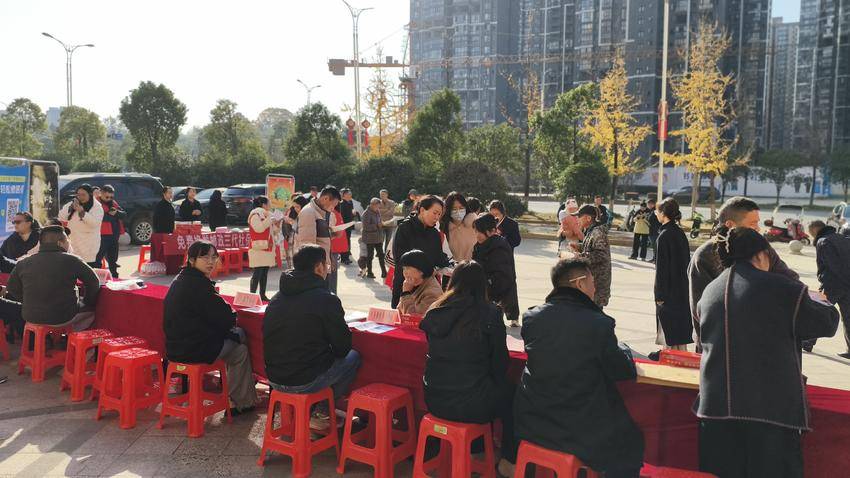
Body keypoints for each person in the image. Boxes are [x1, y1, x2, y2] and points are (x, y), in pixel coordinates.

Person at [695, 227, 838, 477]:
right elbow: (826, 323)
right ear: (762, 255)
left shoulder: (710, 291)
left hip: (715, 409)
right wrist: (819, 299)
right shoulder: (781, 287)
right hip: (769, 412)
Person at [515, 258, 644, 477]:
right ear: (580, 283)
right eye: (593, 282)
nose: (595, 288)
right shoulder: (598, 324)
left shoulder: (533, 318)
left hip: (531, 421)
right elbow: (622, 370)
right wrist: (623, 349)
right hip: (577, 431)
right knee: (631, 440)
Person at [420, 260, 517, 475]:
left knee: (482, 387)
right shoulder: (490, 314)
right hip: (472, 403)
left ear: (452, 282)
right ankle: (508, 460)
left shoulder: (435, 310)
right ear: (483, 285)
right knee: (513, 394)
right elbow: (500, 365)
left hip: (434, 399)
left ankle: (477, 447)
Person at [264, 244, 360, 430]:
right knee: (353, 357)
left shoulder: (278, 297)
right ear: (319, 267)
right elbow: (342, 347)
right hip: (303, 381)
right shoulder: (326, 299)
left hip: (274, 378)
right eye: (327, 264)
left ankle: (312, 410)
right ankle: (320, 412)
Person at [688, 196, 800, 346]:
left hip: (760, 341)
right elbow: (700, 310)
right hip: (718, 344)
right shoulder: (705, 255)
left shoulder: (762, 249)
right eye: (753, 224)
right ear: (730, 225)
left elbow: (789, 278)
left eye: (758, 223)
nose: (758, 229)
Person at [163, 241, 256, 415]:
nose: (211, 262)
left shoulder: (181, 279)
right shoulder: (198, 284)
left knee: (239, 350)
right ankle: (240, 400)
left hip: (175, 348)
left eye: (214, 257)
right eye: (205, 257)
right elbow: (226, 317)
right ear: (191, 260)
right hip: (194, 349)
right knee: (240, 337)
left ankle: (240, 399)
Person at [6, 225, 100, 331]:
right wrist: (88, 302)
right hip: (63, 317)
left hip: (30, 316)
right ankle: (70, 338)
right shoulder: (72, 260)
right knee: (92, 310)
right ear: (60, 243)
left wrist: (29, 301)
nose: (69, 243)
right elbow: (94, 282)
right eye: (67, 240)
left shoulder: (23, 263)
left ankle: (54, 337)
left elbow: (11, 287)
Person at [391, 195, 450, 308]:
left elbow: (438, 257)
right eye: (434, 213)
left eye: (439, 214)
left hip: (426, 288)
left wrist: (450, 266)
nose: (437, 217)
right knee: (403, 315)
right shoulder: (404, 228)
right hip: (406, 283)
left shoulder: (434, 234)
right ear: (422, 210)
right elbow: (400, 258)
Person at [652, 198, 693, 355]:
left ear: (663, 213)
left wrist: (659, 295)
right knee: (679, 335)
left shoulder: (664, 236)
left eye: (657, 211)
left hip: (668, 293)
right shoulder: (679, 233)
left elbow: (661, 269)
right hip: (681, 290)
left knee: (669, 335)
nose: (655, 214)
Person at [809, 220, 850, 358]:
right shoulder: (842, 238)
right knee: (848, 317)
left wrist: (823, 280)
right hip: (847, 284)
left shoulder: (823, 241)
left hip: (832, 284)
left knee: (818, 312)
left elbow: (831, 266)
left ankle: (808, 342)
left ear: (814, 229)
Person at [472, 214, 519, 327]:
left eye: (479, 232)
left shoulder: (499, 247)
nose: (476, 235)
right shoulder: (480, 245)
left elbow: (502, 277)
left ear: (491, 231)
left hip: (494, 295)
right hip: (485, 293)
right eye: (475, 231)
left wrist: (487, 285)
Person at [295, 186, 341, 290]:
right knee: (318, 295)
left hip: (323, 264)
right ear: (325, 198)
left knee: (326, 292)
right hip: (316, 268)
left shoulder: (321, 212)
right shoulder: (309, 212)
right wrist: (316, 269)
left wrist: (330, 258)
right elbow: (307, 245)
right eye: (333, 205)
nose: (333, 208)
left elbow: (321, 238)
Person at [572, 204, 612, 308]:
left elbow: (601, 255)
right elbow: (592, 248)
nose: (577, 219)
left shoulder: (597, 232)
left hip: (597, 284)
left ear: (588, 218)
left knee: (594, 313)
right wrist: (579, 246)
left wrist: (580, 256)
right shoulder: (591, 230)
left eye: (579, 216)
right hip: (592, 281)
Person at [61, 183, 104, 268]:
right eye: (78, 194)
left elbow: (94, 223)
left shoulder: (97, 207)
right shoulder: (73, 203)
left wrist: (82, 212)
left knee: (87, 271)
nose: (80, 197)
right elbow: (62, 216)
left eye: (83, 195)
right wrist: (70, 207)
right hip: (74, 244)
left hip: (88, 247)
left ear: (90, 194)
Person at [248, 196, 279, 302]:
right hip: (258, 248)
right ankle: (251, 296)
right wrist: (270, 220)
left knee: (264, 273)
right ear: (263, 204)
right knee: (257, 273)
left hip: (267, 247)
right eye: (268, 203)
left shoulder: (267, 215)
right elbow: (259, 228)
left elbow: (272, 231)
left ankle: (262, 295)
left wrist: (277, 224)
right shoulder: (255, 215)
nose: (270, 205)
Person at [397, 249, 442, 315]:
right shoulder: (413, 285)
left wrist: (406, 293)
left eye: (408, 268)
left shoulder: (431, 293)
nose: (405, 272)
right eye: (404, 268)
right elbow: (399, 311)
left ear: (421, 270)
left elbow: (414, 317)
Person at [96, 185, 126, 278]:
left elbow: (124, 214)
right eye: (107, 197)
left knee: (113, 259)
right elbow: (100, 218)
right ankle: (97, 278)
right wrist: (112, 215)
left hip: (114, 234)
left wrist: (116, 213)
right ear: (101, 193)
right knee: (98, 259)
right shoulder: (95, 203)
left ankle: (115, 276)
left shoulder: (113, 203)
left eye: (111, 197)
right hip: (101, 235)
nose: (109, 199)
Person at [441, 191, 478, 262]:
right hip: (454, 268)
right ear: (448, 210)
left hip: (475, 266)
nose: (458, 211)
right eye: (454, 209)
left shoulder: (474, 223)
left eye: (461, 208)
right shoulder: (444, 228)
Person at [361, 198, 386, 279]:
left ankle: (384, 271)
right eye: (377, 206)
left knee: (381, 255)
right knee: (370, 256)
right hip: (369, 238)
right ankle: (370, 272)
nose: (378, 207)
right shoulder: (366, 213)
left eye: (379, 206)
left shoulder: (377, 211)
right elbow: (365, 226)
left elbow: (379, 221)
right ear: (372, 204)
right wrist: (376, 226)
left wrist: (381, 224)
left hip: (378, 237)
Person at [339, 188, 358, 265]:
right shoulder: (342, 204)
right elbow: (342, 216)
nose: (350, 195)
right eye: (348, 194)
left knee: (347, 240)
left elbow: (351, 211)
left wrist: (353, 212)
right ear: (344, 195)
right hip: (344, 225)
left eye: (350, 194)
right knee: (344, 241)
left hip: (349, 224)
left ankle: (346, 256)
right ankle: (344, 258)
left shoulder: (350, 202)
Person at [646, 198, 661, 263]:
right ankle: (654, 258)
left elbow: (651, 219)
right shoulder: (651, 211)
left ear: (652, 204)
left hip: (655, 231)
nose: (647, 206)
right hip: (652, 230)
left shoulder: (655, 211)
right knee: (654, 246)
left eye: (648, 204)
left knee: (656, 246)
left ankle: (656, 259)